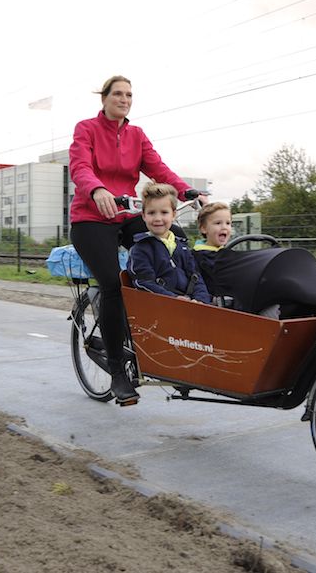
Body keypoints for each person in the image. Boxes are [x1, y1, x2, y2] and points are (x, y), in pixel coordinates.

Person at [68, 75, 206, 406]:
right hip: (91, 218)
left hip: (128, 215)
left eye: (129, 94)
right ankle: (117, 371)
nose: (124, 99)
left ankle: (175, 343)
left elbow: (157, 168)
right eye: (118, 93)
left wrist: (184, 188)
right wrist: (97, 189)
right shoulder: (86, 129)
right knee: (115, 285)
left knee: (178, 248)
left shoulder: (136, 135)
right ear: (103, 98)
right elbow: (80, 167)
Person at [128, 182, 212, 304]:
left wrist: (201, 301)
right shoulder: (140, 249)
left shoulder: (182, 246)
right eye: (151, 213)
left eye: (164, 212)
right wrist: (174, 299)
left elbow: (196, 277)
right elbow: (143, 282)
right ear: (144, 216)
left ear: (173, 214)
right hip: (160, 307)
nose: (157, 218)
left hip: (188, 305)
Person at [192, 201, 232, 302]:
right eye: (218, 223)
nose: (224, 227)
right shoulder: (198, 256)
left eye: (228, 223)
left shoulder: (228, 254)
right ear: (204, 229)